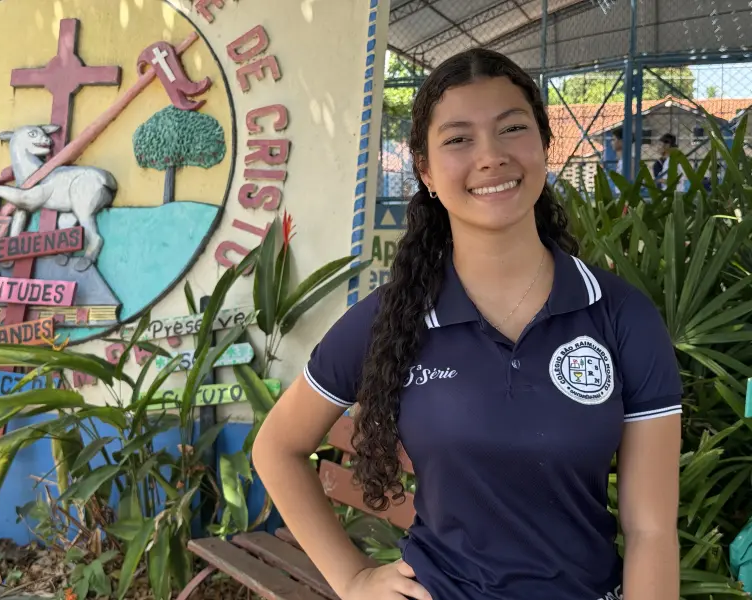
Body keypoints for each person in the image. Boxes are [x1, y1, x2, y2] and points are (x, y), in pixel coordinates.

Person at [253, 47, 682, 600]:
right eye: (458, 139)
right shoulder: (393, 317)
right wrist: (353, 578)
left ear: (544, 146)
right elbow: (277, 448)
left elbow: (651, 531)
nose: (491, 156)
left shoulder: (620, 316)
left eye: (512, 129)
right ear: (426, 171)